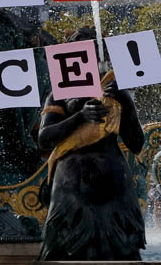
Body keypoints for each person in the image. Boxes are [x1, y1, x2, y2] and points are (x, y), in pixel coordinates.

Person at [37, 39, 146, 261]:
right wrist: (80, 116)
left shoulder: (116, 92)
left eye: (94, 54)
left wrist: (126, 101)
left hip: (115, 186)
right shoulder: (59, 94)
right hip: (71, 187)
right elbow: (44, 139)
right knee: (64, 251)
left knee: (124, 251)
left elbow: (136, 143)